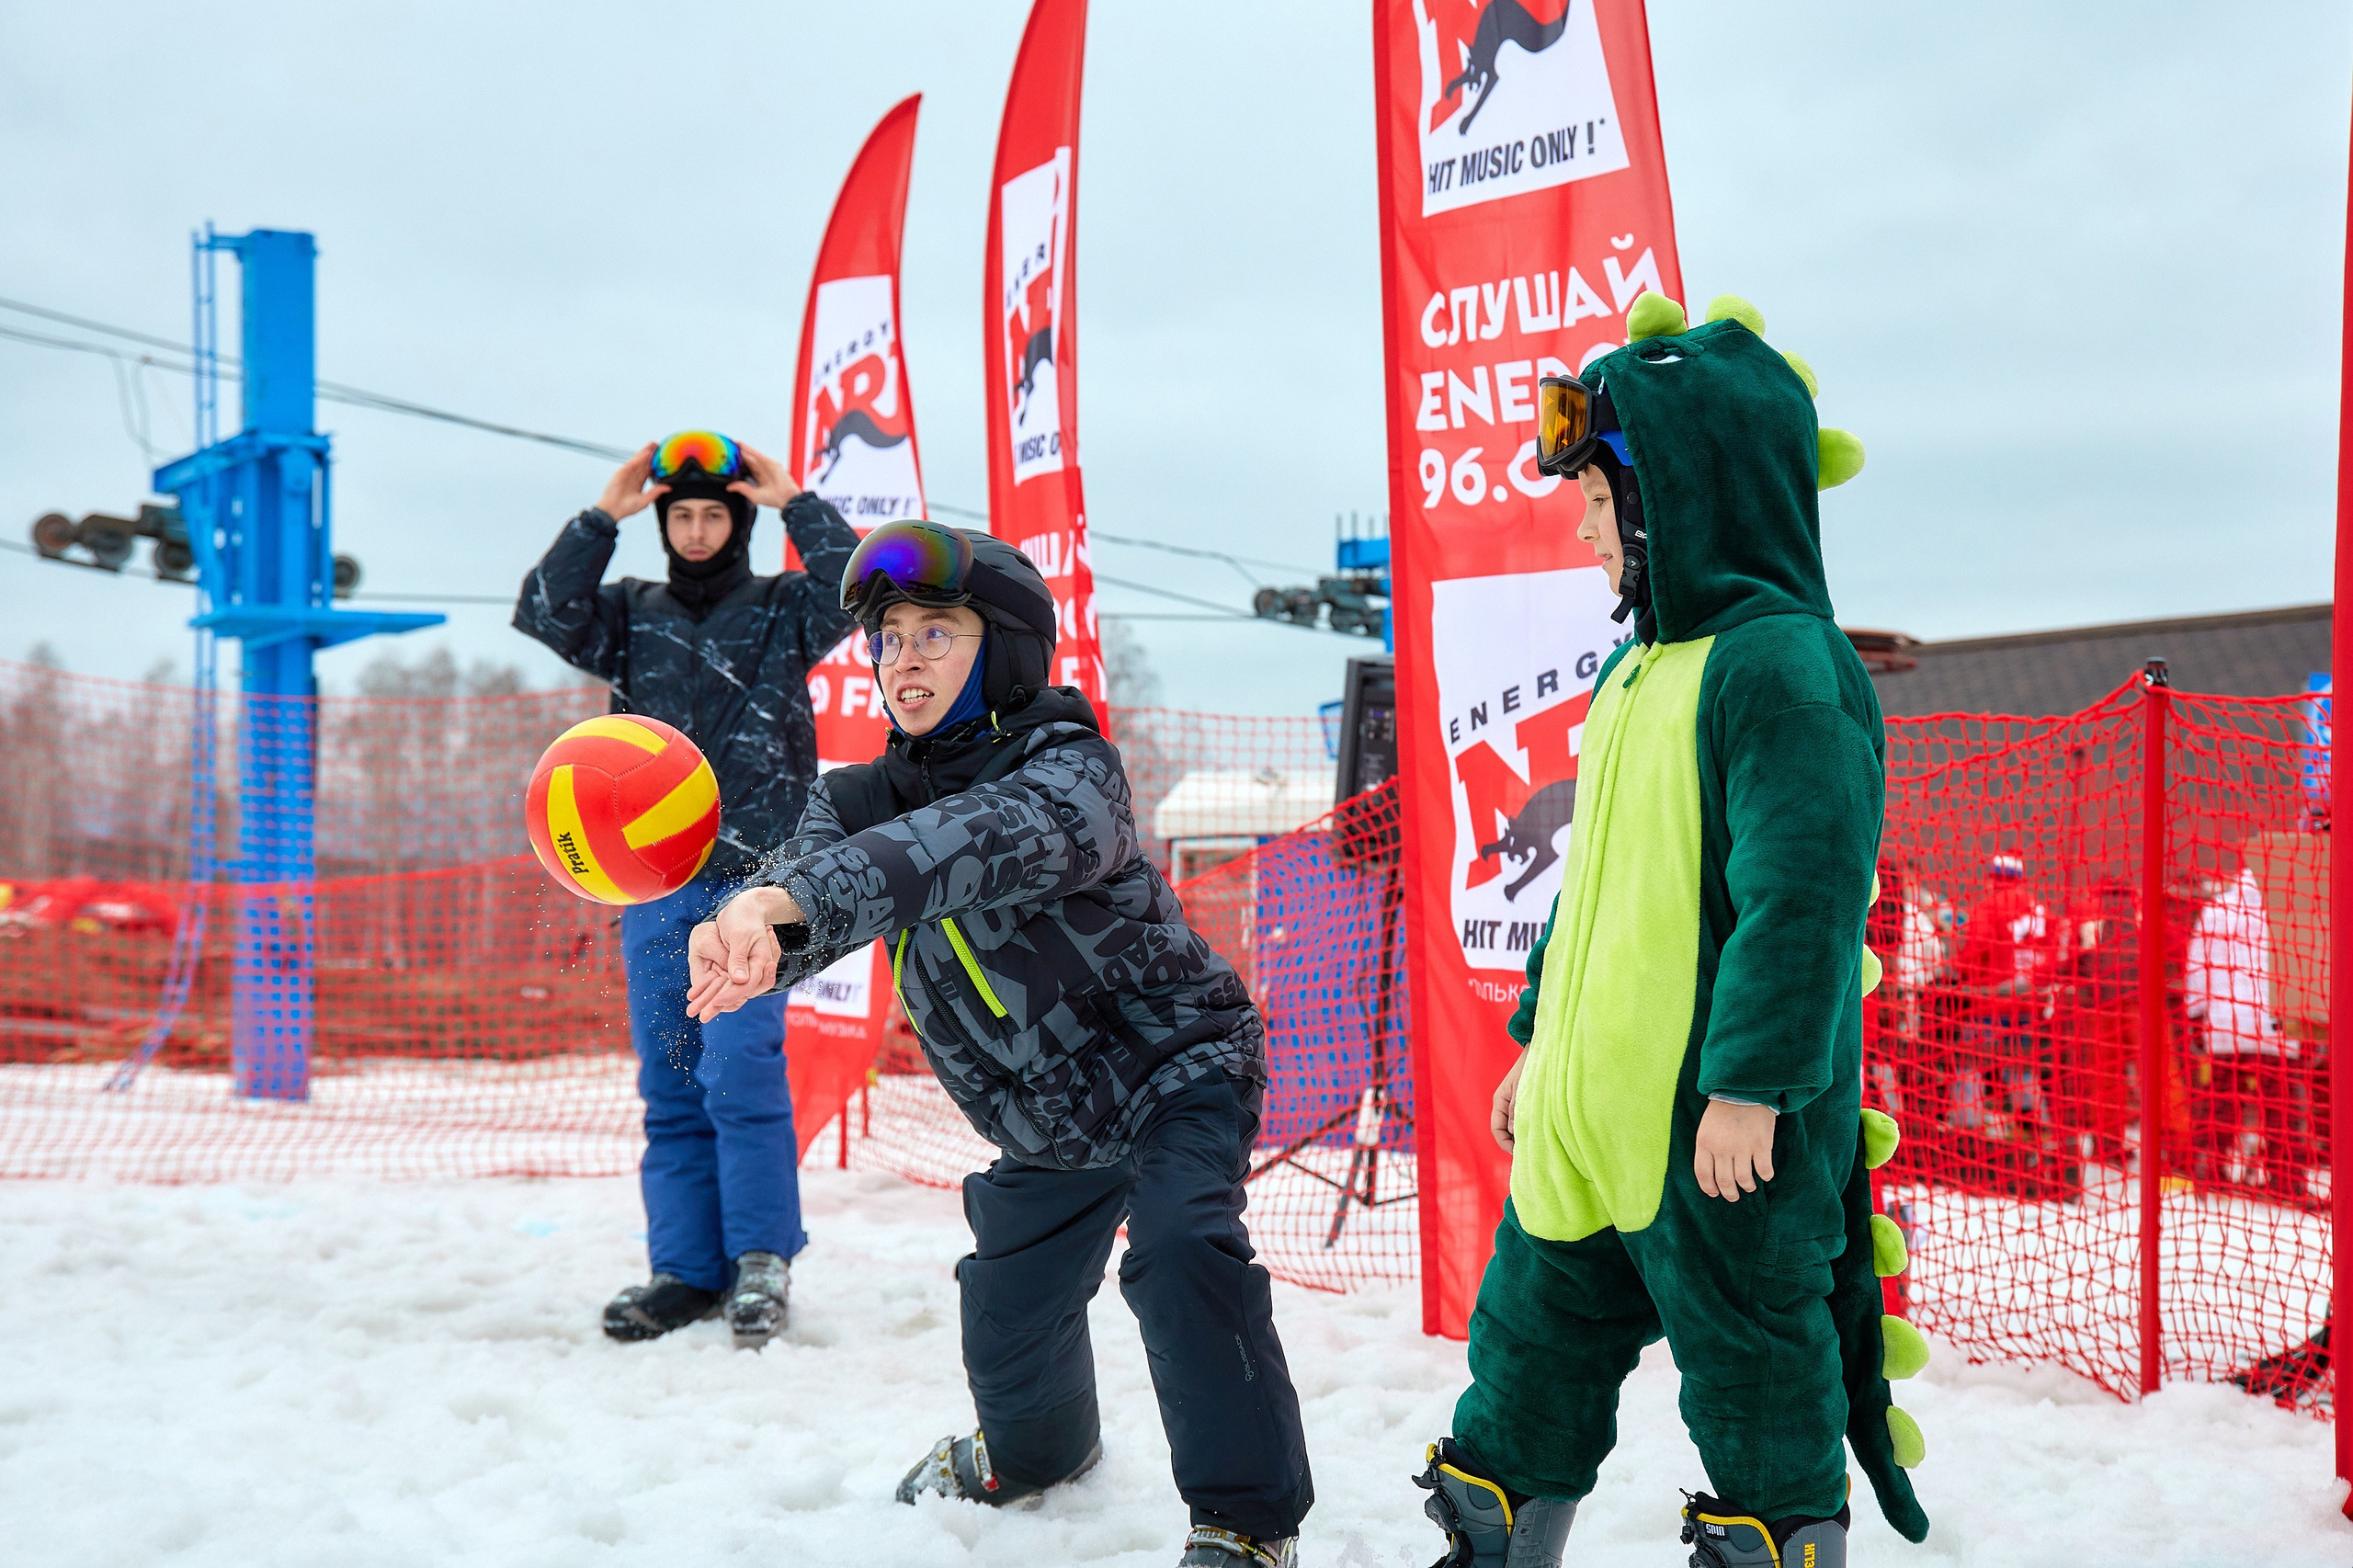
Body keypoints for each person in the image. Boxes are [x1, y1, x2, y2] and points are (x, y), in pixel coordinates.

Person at [681, 521, 1313, 1568]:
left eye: (937, 633)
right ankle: (1035, 1453)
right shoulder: (857, 798)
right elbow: (811, 892)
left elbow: (957, 847)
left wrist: (798, 897)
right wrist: (752, 932)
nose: (904, 659)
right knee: (1008, 1307)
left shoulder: (1073, 770)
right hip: (1048, 1118)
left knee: (1178, 1249)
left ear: (1006, 651)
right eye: (889, 638)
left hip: (1173, 1069)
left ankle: (1247, 1524)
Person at [1414, 294, 1928, 1568]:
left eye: (1602, 499)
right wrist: (1540, 1040)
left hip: (1716, 1129)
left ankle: (1775, 1541)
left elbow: (1803, 897)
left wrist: (1751, 1085)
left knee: (1754, 1365)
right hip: (1587, 1119)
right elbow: (1594, 886)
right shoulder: (1633, 671)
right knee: (1526, 1351)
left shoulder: (1783, 666)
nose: (1585, 526)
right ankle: (1492, 1532)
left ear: (1687, 496)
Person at [512, 429, 858, 1348]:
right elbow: (545, 611)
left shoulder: (784, 609)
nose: (698, 531)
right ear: (663, 523)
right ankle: (685, 1271)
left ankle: (760, 1262)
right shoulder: (630, 614)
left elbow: (856, 589)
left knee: (739, 1067)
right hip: (654, 887)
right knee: (670, 1079)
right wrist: (603, 515)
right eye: (683, 516)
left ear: (738, 522)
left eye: (713, 515)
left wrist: (797, 504)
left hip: (760, 887)